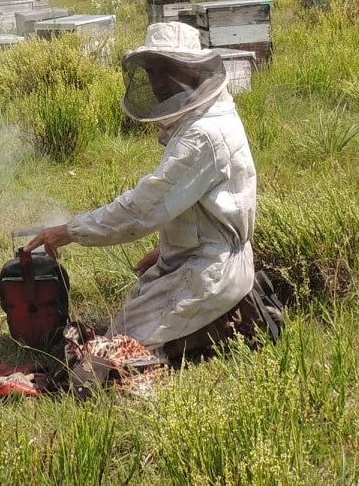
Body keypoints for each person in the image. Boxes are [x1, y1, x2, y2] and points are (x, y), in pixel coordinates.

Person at [24, 22, 275, 365]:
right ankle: (215, 323)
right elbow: (208, 208)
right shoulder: (208, 118)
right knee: (119, 330)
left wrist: (70, 231)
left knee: (109, 357)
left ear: (189, 70)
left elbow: (144, 207)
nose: (157, 83)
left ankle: (224, 324)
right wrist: (167, 249)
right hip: (200, 258)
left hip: (210, 270)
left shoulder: (203, 135)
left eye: (165, 70)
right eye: (152, 71)